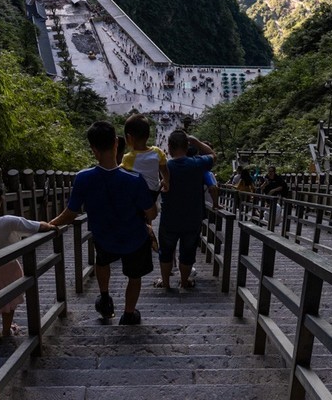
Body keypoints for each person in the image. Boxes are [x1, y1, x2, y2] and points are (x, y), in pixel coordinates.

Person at [48, 121, 158, 325]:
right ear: (116, 142)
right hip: (134, 238)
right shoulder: (134, 180)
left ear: (93, 150)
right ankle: (129, 313)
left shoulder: (83, 178)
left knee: (102, 260)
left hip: (104, 237)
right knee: (134, 277)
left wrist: (48, 225)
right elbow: (151, 212)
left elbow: (71, 213)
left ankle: (105, 296)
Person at [0, 177, 54, 339]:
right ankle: (7, 330)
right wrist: (51, 225)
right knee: (9, 303)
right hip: (8, 273)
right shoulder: (9, 222)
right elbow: (39, 226)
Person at [155, 130, 216, 290]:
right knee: (188, 252)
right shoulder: (197, 164)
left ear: (169, 147)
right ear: (187, 145)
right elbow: (212, 156)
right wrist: (196, 142)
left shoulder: (165, 166)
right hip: (192, 218)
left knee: (166, 251)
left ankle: (166, 283)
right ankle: (184, 281)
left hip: (169, 218)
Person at [121, 114, 168, 252]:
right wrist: (167, 182)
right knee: (148, 214)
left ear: (129, 138)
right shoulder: (157, 152)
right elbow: (165, 169)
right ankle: (148, 229)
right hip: (153, 192)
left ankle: (144, 233)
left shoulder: (128, 158)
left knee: (137, 215)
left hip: (136, 193)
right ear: (148, 135)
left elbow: (120, 173)